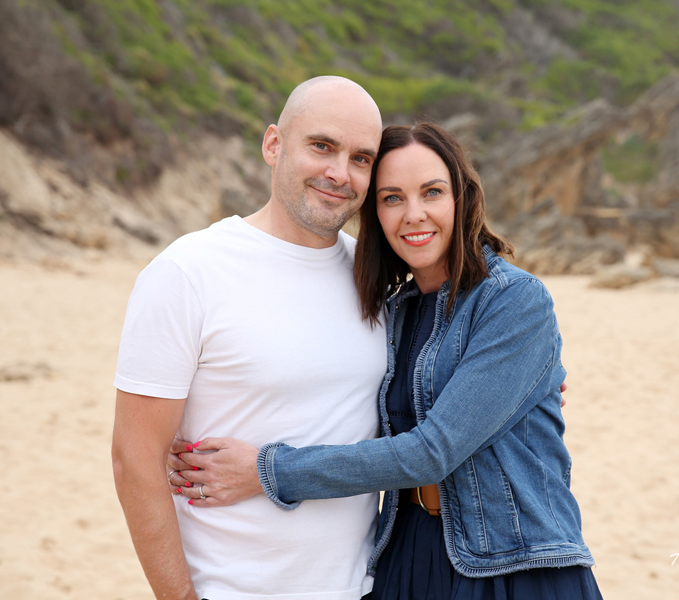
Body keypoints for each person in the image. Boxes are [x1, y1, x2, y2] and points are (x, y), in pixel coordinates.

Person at [171, 123, 602, 599]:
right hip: (404, 554)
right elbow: (349, 408)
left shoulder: (513, 300)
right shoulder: (393, 311)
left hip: (513, 561)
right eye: (392, 198)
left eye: (432, 192)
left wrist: (267, 471)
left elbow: (431, 453)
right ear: (374, 214)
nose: (414, 214)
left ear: (461, 198)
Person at [111, 76, 388, 600]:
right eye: (322, 146)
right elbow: (134, 458)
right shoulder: (188, 271)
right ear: (273, 145)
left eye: (361, 158)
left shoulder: (374, 280)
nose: (340, 173)